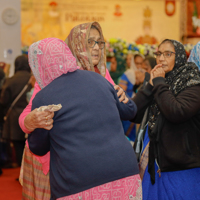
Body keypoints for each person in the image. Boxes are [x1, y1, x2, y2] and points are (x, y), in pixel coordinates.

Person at [19, 22, 129, 200]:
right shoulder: (55, 74)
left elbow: (126, 111)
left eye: (99, 42)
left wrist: (123, 98)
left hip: (93, 162)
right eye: (90, 42)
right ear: (74, 46)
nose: (96, 48)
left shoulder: (102, 74)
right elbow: (25, 116)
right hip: (55, 163)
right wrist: (29, 121)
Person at [132, 39, 200, 200]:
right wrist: (148, 86)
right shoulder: (158, 82)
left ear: (180, 57)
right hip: (155, 167)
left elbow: (175, 112)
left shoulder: (193, 83)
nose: (161, 59)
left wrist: (159, 83)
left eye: (168, 54)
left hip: (181, 169)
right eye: (159, 54)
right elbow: (133, 114)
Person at [0, 55, 31, 167]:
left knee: (18, 145)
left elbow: (3, 101)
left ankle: (21, 171)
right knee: (31, 145)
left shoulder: (10, 81)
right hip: (31, 115)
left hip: (14, 118)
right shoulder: (33, 79)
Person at [118, 53, 144, 141]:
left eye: (141, 63)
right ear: (133, 63)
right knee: (127, 137)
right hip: (128, 106)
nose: (139, 66)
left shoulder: (146, 74)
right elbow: (120, 92)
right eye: (137, 63)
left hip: (141, 108)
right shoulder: (128, 74)